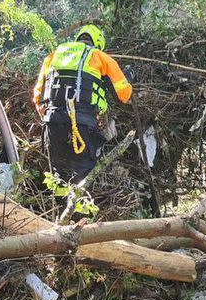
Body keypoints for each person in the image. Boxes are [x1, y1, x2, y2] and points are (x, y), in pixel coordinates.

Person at [32, 24, 132, 183]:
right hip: (82, 125)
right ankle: (76, 207)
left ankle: (60, 206)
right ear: (98, 43)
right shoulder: (99, 56)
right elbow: (124, 95)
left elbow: (37, 97)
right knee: (81, 178)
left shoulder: (53, 55)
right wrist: (129, 76)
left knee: (57, 177)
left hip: (52, 123)